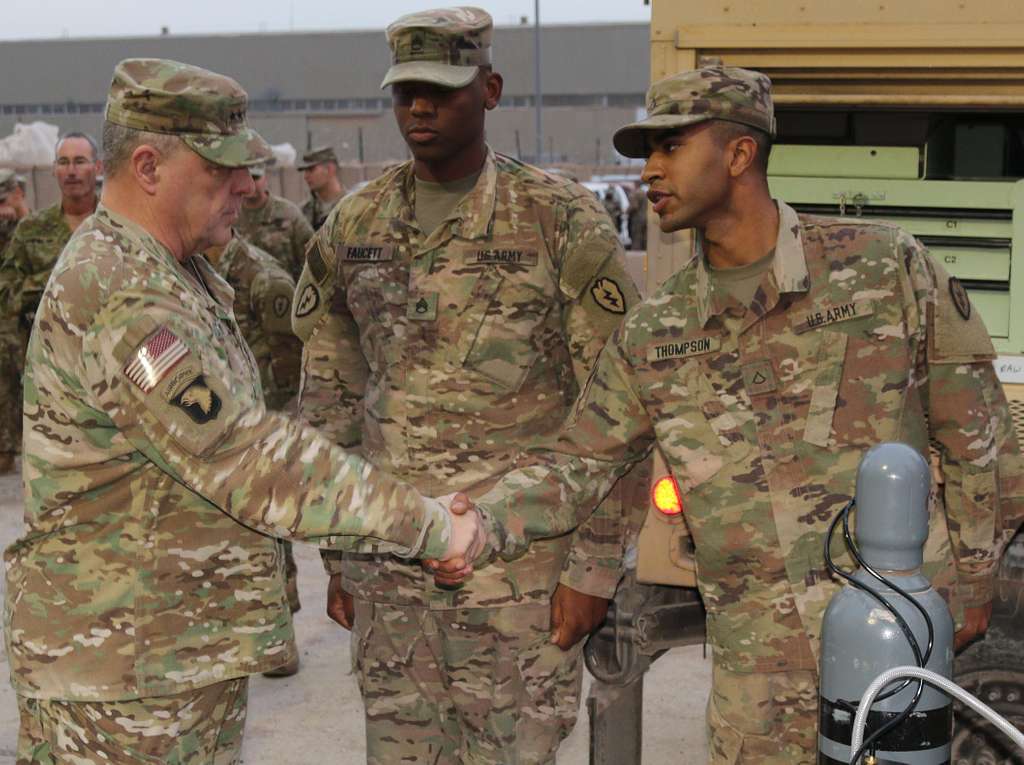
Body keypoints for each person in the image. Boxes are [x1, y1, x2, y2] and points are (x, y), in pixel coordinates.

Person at [432, 66, 1024, 764]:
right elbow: (578, 465)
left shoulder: (882, 269)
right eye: (646, 152)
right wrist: (482, 520)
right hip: (757, 680)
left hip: (893, 647)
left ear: (739, 155)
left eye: (670, 146)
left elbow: (976, 427)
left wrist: (976, 579)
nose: (650, 170)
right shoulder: (657, 332)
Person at [6, 57, 491, 765]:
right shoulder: (119, 291)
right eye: (220, 167)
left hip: (165, 657)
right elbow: (247, 455)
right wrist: (427, 524)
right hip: (119, 685)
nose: (244, 184)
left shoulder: (172, 267)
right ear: (147, 166)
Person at [293, 7, 642, 763]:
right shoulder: (355, 226)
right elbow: (328, 402)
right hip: (393, 574)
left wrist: (594, 566)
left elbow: (619, 409)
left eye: (442, 91)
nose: (419, 108)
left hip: (519, 580)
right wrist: (339, 557)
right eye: (405, 92)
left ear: (489, 90)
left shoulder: (557, 222)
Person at [202, 231, 305, 678]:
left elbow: (293, 360)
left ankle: (279, 635)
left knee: (268, 526)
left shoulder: (263, 280)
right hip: (212, 419)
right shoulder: (186, 270)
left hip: (261, 418)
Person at [0, 133, 102, 475]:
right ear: (54, 172)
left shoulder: (120, 224)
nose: (72, 171)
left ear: (97, 168)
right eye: (63, 162)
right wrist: (41, 286)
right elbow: (6, 294)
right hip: (48, 368)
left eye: (80, 161)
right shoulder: (31, 230)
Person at [236, 160, 313, 281]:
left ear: (265, 179)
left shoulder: (288, 213)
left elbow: (311, 257)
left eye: (256, 178)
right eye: (246, 178)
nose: (251, 183)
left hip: (284, 292)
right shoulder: (231, 215)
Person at [298, 146, 345, 231]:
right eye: (304, 171)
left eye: (311, 169)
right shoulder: (303, 212)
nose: (306, 176)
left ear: (330, 169)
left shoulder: (352, 206)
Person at [627, 183, 648, 251]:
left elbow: (634, 206)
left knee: (636, 236)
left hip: (637, 218)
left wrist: (626, 211)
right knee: (645, 236)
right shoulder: (644, 193)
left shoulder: (635, 194)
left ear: (635, 185)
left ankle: (636, 251)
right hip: (645, 217)